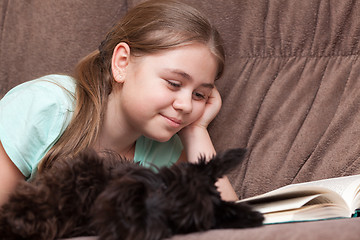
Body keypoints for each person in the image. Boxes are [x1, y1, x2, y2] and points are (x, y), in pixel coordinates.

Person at [0, 0, 238, 207]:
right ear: (122, 63)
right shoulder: (45, 106)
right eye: (174, 84)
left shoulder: (164, 152)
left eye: (199, 95)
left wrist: (196, 131)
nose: (186, 105)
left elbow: (229, 222)